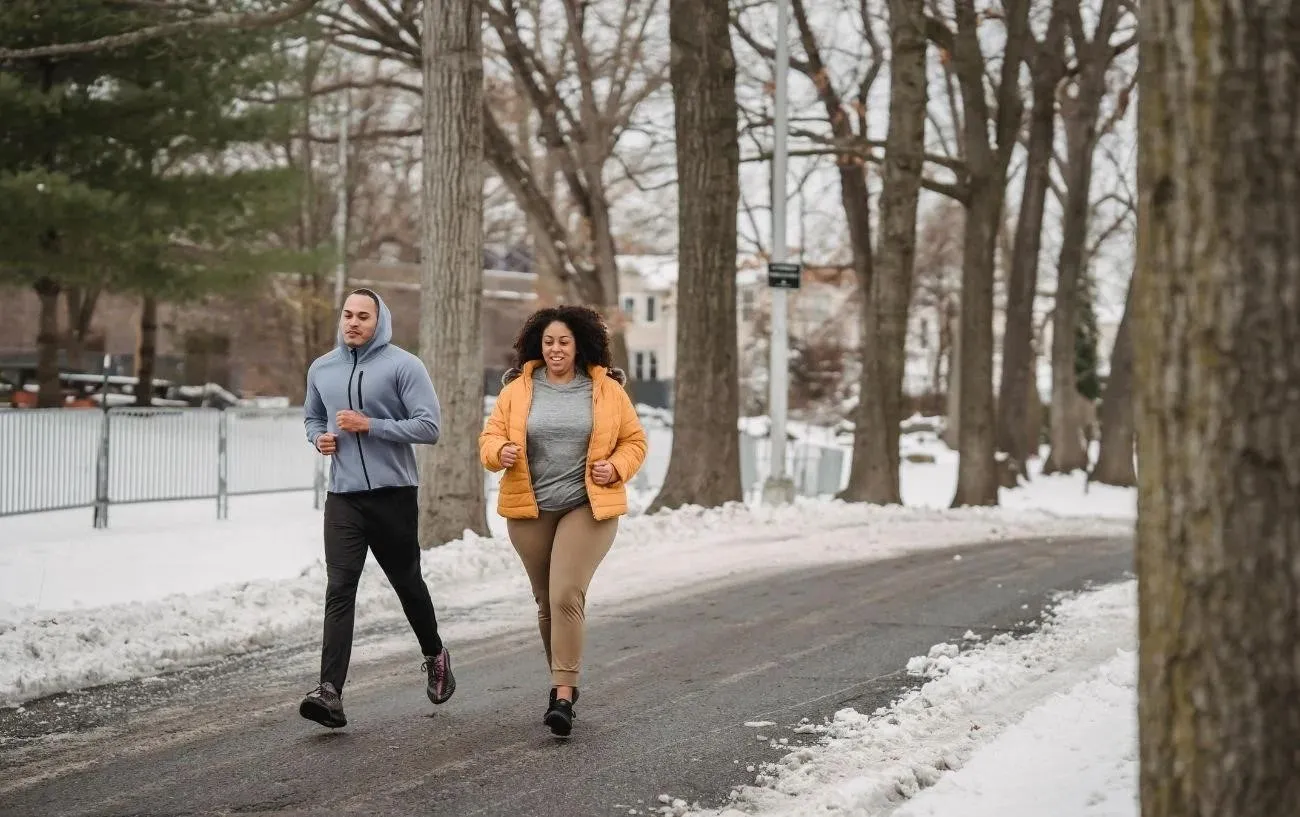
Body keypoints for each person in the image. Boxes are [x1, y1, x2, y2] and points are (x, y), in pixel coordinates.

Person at [479, 305, 648, 737]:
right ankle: (562, 678)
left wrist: (617, 467)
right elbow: (489, 439)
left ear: (580, 345)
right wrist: (501, 453)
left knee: (566, 593)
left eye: (564, 342)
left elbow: (635, 441)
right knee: (545, 601)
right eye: (549, 341)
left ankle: (563, 695)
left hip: (587, 506)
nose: (555, 349)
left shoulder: (606, 390)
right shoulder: (517, 390)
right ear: (539, 344)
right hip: (530, 508)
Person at [299, 288, 456, 729]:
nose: (353, 322)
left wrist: (371, 425)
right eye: (348, 314)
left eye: (363, 316)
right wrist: (319, 438)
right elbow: (312, 417)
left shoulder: (404, 365)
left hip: (393, 495)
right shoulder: (322, 368)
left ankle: (435, 653)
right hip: (344, 497)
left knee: (407, 583)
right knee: (340, 588)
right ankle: (329, 692)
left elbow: (429, 427)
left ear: (379, 321)